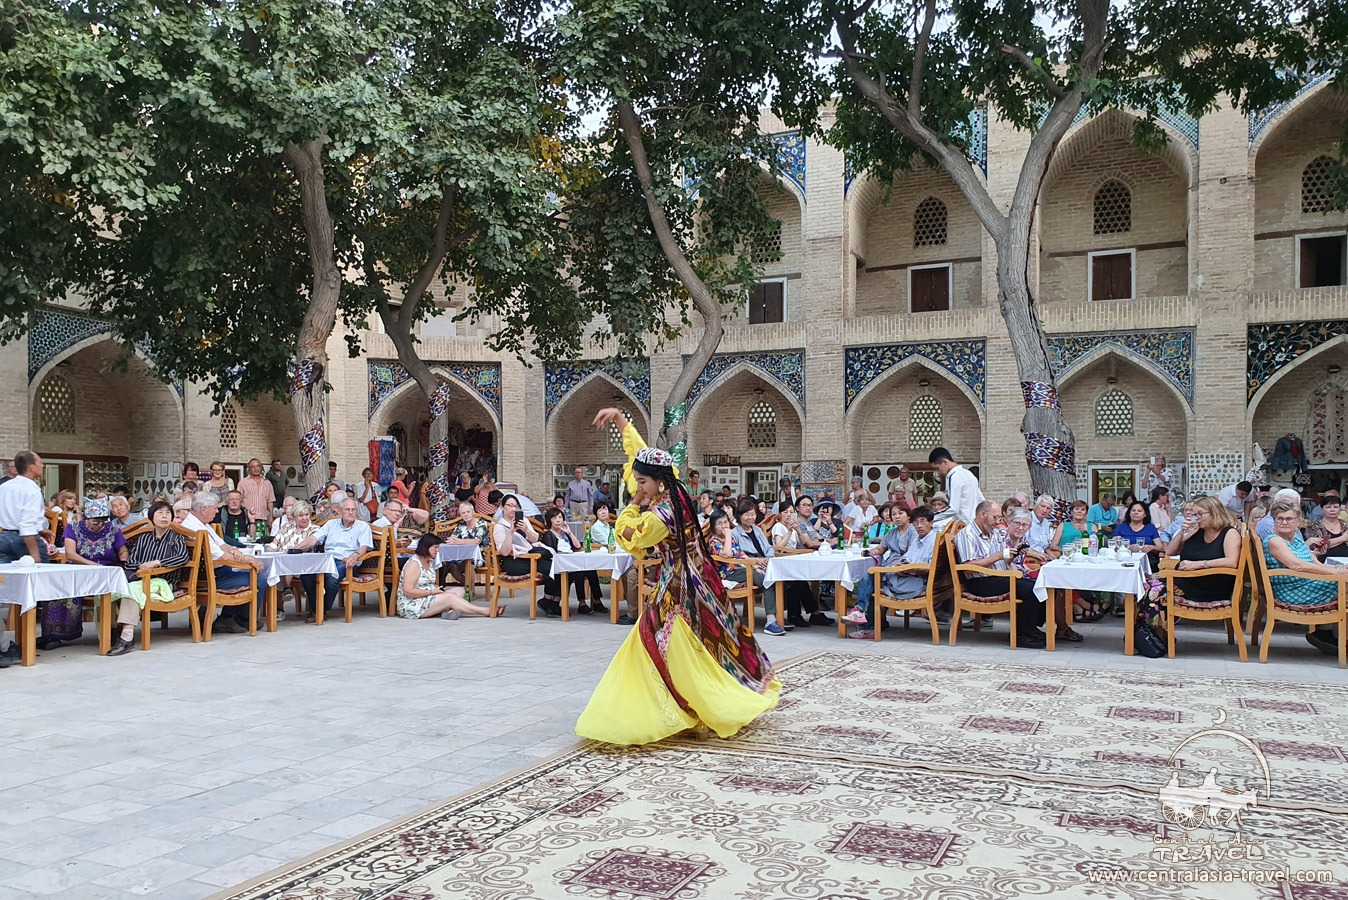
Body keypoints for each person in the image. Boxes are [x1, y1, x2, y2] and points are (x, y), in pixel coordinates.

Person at [575, 408, 779, 745]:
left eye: (642, 482)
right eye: (639, 482)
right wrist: (620, 420)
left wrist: (631, 505)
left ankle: (676, 709)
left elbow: (629, 534)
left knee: (658, 642)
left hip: (679, 586)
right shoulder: (675, 489)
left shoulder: (660, 513)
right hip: (702, 579)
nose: (638, 486)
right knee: (699, 642)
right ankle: (696, 704)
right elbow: (638, 453)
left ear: (657, 481)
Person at [1138, 496, 1243, 635]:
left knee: (1152, 591)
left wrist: (1199, 564)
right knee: (1143, 587)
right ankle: (1154, 634)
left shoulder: (1229, 533)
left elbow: (1232, 561)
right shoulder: (1198, 530)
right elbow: (1171, 551)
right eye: (1195, 514)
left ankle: (1152, 636)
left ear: (1214, 512)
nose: (1196, 518)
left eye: (1200, 514)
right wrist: (1182, 532)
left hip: (1208, 586)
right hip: (1186, 581)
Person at [954, 500, 1048, 648]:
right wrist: (998, 556)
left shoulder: (993, 533)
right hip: (981, 582)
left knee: (1041, 585)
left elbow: (1003, 559)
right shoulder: (967, 535)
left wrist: (1013, 554)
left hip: (998, 576)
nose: (998, 522)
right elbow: (967, 567)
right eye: (995, 517)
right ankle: (1022, 635)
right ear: (983, 514)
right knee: (1031, 590)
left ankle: (1028, 628)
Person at [41, 496, 128, 650]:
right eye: (96, 521)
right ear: (87, 517)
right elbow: (70, 554)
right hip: (79, 568)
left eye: (103, 521)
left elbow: (122, 550)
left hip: (104, 573)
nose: (100, 525)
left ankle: (111, 632)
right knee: (58, 587)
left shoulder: (113, 529)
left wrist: (123, 556)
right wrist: (93, 565)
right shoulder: (74, 528)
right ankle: (53, 635)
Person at [1265, 498, 1348, 657]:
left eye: (1289, 518)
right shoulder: (1274, 540)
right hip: (1293, 591)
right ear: (1274, 521)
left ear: (1298, 522)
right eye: (1279, 518)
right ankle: (1332, 636)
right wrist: (1336, 573)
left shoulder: (1296, 538)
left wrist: (1340, 569)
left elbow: (1314, 562)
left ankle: (1331, 635)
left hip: (1307, 583)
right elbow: (1297, 566)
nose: (1284, 522)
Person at [110, 500, 193, 656]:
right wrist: (142, 566)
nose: (164, 516)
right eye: (160, 513)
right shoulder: (144, 538)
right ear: (151, 518)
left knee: (132, 589)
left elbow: (183, 558)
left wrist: (156, 563)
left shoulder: (176, 538)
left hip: (165, 583)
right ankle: (113, 633)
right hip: (143, 579)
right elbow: (131, 561)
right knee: (118, 590)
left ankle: (127, 637)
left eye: (168, 513)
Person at [181, 493, 264, 632]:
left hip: (210, 573)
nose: (217, 511)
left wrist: (233, 550)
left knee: (244, 571)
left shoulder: (199, 523)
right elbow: (220, 556)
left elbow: (222, 544)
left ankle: (231, 617)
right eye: (215, 508)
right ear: (203, 509)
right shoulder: (197, 528)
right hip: (210, 578)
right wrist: (249, 559)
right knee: (259, 577)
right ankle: (241, 619)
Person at [398, 533, 500, 620]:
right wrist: (431, 592)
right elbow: (408, 591)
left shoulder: (429, 562)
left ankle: (447, 610)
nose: (437, 551)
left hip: (427, 598)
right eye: (435, 548)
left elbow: (429, 583)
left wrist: (436, 590)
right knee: (450, 598)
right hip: (412, 604)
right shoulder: (414, 564)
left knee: (460, 591)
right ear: (426, 547)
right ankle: (485, 611)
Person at [493, 493, 552, 611]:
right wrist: (510, 532)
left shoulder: (523, 520)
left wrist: (525, 529)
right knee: (550, 568)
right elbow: (504, 552)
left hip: (531, 557)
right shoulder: (499, 526)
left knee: (555, 567)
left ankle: (551, 600)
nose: (513, 509)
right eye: (510, 505)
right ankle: (549, 602)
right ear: (502, 508)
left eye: (516, 506)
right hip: (514, 561)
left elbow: (535, 539)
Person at [541, 507, 603, 614]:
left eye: (560, 517)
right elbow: (550, 553)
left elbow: (578, 546)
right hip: (560, 564)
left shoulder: (564, 533)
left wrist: (569, 532)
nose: (558, 520)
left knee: (591, 570)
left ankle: (597, 601)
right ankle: (581, 603)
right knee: (579, 571)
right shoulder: (549, 535)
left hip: (571, 560)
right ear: (549, 520)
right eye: (555, 518)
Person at [929, 447, 984, 524]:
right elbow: (981, 500)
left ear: (944, 462)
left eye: (937, 468)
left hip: (963, 525)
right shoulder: (969, 474)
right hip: (974, 523)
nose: (938, 472)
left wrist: (932, 517)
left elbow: (954, 508)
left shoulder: (954, 476)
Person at [1308, 495, 1348, 561]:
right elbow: (1318, 545)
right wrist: (1343, 538)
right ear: (1322, 509)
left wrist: (1330, 542)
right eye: (1328, 507)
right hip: (1322, 562)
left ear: (1340, 509)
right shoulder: (1314, 525)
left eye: (1335, 507)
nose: (1332, 510)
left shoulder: (1345, 524)